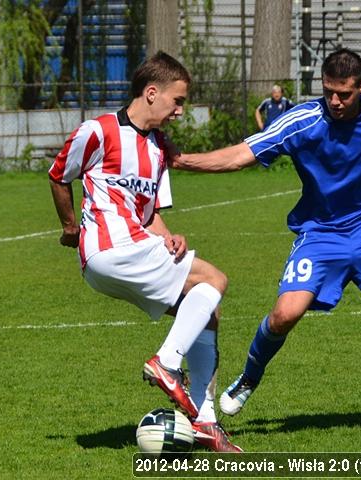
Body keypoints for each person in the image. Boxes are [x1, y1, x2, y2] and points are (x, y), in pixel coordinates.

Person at [170, 48, 361, 436]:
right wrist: (182, 160)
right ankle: (249, 378)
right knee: (285, 314)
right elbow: (240, 156)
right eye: (328, 91)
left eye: (344, 94)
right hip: (321, 232)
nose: (334, 101)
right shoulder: (301, 121)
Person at [48, 51, 241, 452]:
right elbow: (59, 175)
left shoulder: (157, 149)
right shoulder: (98, 130)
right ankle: (167, 363)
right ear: (152, 93)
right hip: (112, 247)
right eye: (178, 101)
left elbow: (148, 213)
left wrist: (170, 238)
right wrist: (69, 226)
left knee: (205, 310)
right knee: (214, 279)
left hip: (115, 257)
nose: (180, 111)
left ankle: (205, 421)